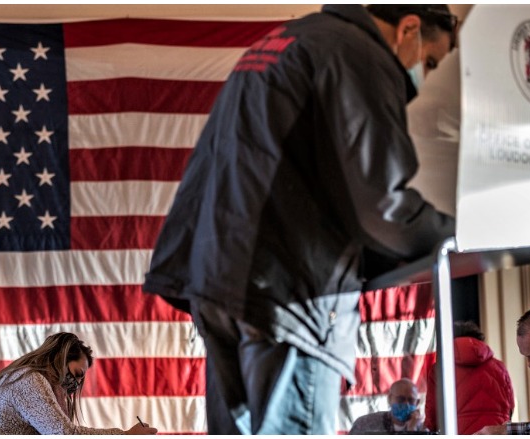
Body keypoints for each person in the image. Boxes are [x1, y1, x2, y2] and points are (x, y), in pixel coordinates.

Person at [143, 4, 458, 434]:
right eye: (430, 61)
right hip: (287, 293)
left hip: (217, 280)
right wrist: (457, 232)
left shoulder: (283, 41)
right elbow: (381, 206)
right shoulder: (359, 54)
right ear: (409, 29)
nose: (421, 76)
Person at [0, 332, 158, 435]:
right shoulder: (29, 380)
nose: (76, 384)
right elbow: (63, 433)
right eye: (77, 374)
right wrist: (125, 435)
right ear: (60, 358)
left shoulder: (19, 375)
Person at [424, 321, 514, 434]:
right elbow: (510, 407)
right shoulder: (500, 367)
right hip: (495, 433)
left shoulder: (440, 368)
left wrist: (430, 429)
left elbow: (433, 412)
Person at [349, 378, 425, 434]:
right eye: (401, 399)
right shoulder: (364, 424)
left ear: (417, 403)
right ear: (389, 399)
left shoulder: (423, 430)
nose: (406, 404)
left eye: (411, 400)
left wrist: (412, 431)